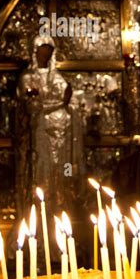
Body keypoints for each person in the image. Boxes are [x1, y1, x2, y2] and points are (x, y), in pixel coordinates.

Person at [16, 35, 86, 217]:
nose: (45, 56)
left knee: (59, 174)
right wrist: (59, 103)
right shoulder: (28, 77)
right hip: (38, 135)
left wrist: (66, 104)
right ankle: (37, 220)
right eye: (42, 51)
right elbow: (32, 106)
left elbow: (70, 100)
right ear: (35, 52)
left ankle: (59, 214)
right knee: (40, 173)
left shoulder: (57, 77)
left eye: (49, 52)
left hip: (60, 134)